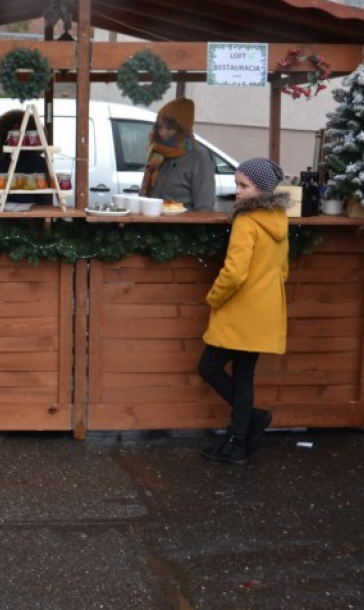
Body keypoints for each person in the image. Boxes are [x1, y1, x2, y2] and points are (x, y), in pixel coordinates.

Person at [198, 157, 289, 465]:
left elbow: (235, 273)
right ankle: (239, 440)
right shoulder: (279, 219)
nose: (237, 192)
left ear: (261, 189)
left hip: (240, 310)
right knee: (244, 376)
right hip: (265, 311)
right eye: (236, 184)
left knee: (209, 368)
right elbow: (283, 270)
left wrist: (214, 297)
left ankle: (247, 425)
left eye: (243, 186)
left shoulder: (246, 221)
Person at [140, 96, 217, 211]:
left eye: (169, 128)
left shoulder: (199, 159)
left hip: (182, 226)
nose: (163, 133)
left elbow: (204, 208)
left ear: (182, 129)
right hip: (151, 224)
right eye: (160, 127)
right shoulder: (157, 154)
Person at [0, 109, 53, 206]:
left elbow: (42, 201)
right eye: (14, 135)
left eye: (19, 134)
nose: (17, 138)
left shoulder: (40, 163)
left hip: (24, 216)